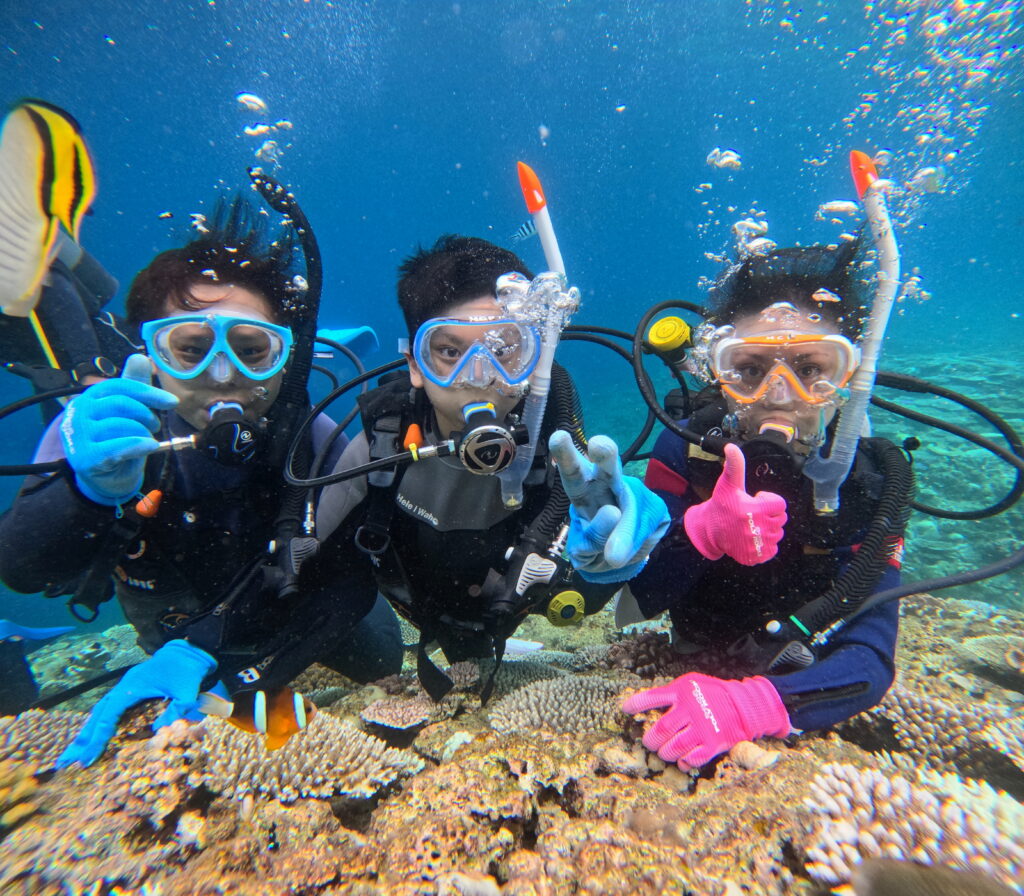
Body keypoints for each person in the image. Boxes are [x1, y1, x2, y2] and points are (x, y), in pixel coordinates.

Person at [0, 197, 402, 763]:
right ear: (151, 355)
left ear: (286, 359)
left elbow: (353, 583)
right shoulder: (104, 432)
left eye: (251, 350)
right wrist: (85, 494)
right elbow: (23, 569)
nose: (221, 375)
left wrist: (255, 674)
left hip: (281, 608)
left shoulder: (313, 440)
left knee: (383, 659)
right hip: (174, 616)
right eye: (190, 349)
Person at [313, 235, 670, 700]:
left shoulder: (559, 449)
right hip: (416, 605)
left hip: (514, 606)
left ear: (535, 359)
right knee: (377, 656)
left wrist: (630, 548)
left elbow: (603, 560)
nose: (478, 377)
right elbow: (313, 564)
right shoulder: (381, 445)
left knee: (577, 597)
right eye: (448, 352)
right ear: (415, 366)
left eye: (503, 349)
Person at [621, 241, 912, 770]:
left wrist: (764, 704)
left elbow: (870, 656)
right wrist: (700, 534)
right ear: (720, 375)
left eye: (810, 367)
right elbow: (637, 598)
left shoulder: (872, 480)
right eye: (751, 370)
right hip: (686, 651)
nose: (781, 394)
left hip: (798, 667)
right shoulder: (685, 452)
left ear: (849, 378)